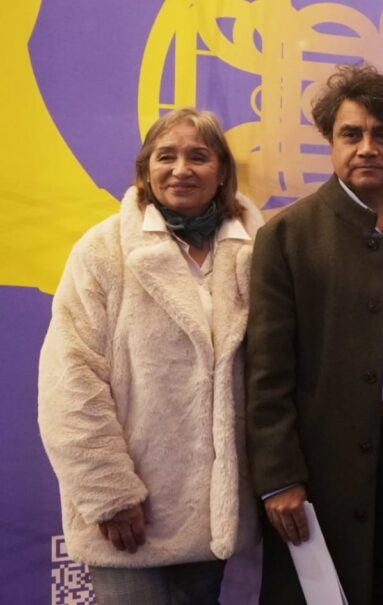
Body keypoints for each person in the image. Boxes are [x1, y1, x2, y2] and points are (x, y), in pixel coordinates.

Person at [245, 63, 383, 605]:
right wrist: (280, 478)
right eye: (351, 134)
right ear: (330, 143)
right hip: (322, 460)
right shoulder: (287, 236)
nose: (367, 148)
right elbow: (266, 374)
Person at [37, 107, 262, 604]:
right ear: (145, 170)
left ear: (222, 171)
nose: (181, 169)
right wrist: (109, 493)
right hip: (128, 519)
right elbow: (69, 382)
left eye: (198, 156)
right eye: (166, 157)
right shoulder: (102, 252)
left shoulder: (255, 252)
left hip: (210, 518)